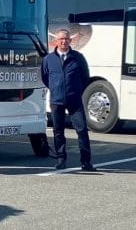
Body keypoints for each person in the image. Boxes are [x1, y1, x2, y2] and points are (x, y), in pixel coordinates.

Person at [41, 29, 95, 171]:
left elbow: (85, 77)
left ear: (70, 41)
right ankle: (61, 159)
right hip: (56, 100)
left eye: (66, 39)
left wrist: (76, 91)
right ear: (56, 42)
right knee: (58, 131)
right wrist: (56, 89)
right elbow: (45, 78)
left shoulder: (78, 57)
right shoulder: (48, 59)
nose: (63, 41)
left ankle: (86, 162)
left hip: (74, 100)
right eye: (61, 39)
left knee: (82, 130)